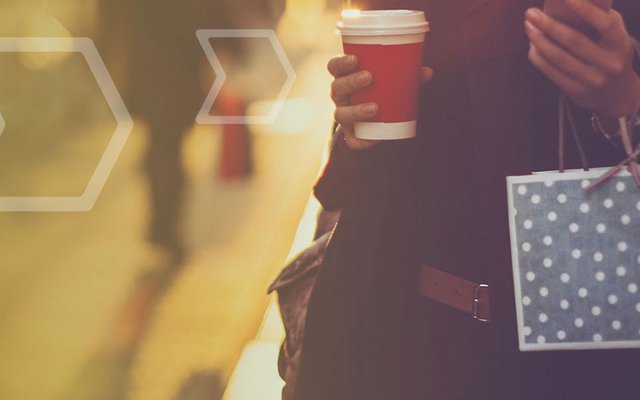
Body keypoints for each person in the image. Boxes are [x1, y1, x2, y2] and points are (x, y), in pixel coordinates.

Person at [295, 0, 640, 399]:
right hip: (407, 340)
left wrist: (627, 101)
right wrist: (354, 120)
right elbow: (351, 186)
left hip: (579, 344)